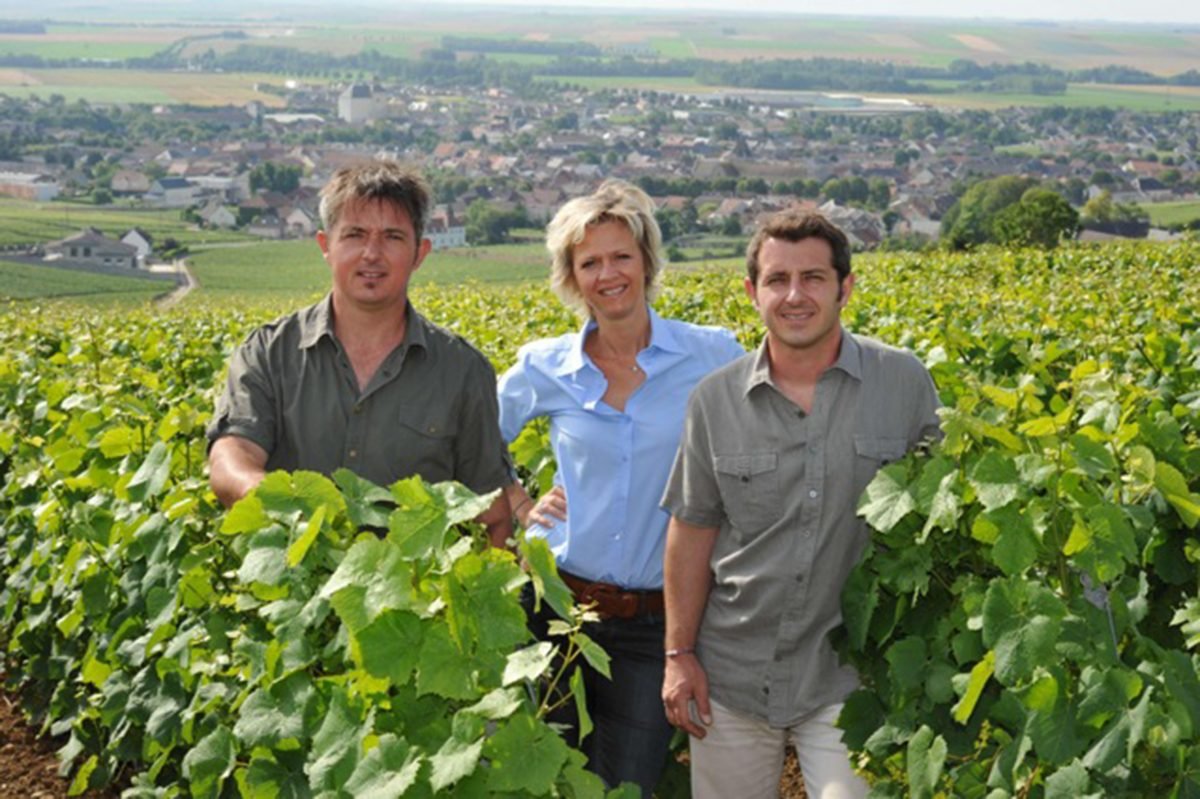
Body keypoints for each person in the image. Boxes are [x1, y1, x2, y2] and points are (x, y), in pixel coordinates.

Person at [659, 209, 941, 799]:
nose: (794, 296)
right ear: (752, 292)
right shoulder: (714, 400)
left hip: (854, 676)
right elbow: (692, 529)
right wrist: (679, 654)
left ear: (845, 287)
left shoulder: (904, 383)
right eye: (777, 280)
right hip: (733, 673)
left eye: (813, 277)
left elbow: (944, 512)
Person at [497, 179, 744, 796]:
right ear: (571, 277)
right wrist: (520, 502)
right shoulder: (544, 366)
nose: (608, 274)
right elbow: (473, 438)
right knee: (547, 779)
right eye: (590, 263)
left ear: (647, 263)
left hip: (653, 624)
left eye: (621, 257)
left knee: (625, 784)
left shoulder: (710, 355)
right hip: (554, 612)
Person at [207, 159, 511, 544]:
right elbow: (231, 458)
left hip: (413, 583)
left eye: (392, 237)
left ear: (420, 253)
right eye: (354, 235)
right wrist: (294, 510)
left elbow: (490, 510)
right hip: (291, 575)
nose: (372, 253)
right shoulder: (269, 352)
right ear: (325, 246)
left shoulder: (463, 370)